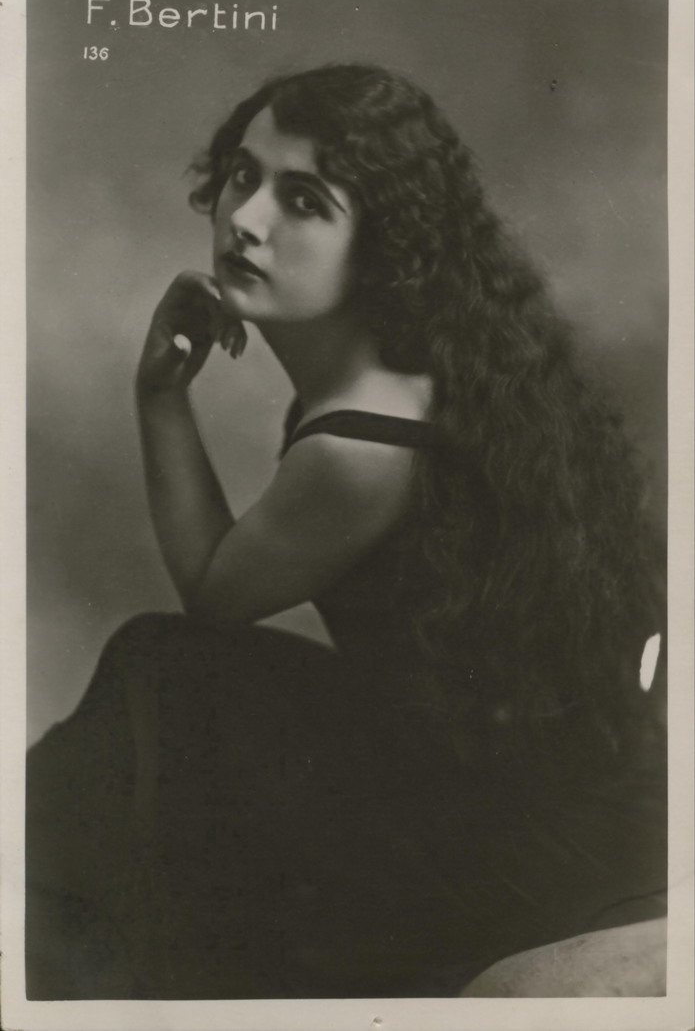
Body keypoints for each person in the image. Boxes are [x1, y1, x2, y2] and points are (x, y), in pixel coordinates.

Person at [25, 63, 667, 1000]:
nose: (246, 220)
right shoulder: (427, 370)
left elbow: (214, 594)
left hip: (516, 835)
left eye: (303, 201)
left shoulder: (361, 441)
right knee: (164, 687)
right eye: (241, 176)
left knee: (162, 677)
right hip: (517, 777)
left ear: (382, 249)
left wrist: (158, 396)